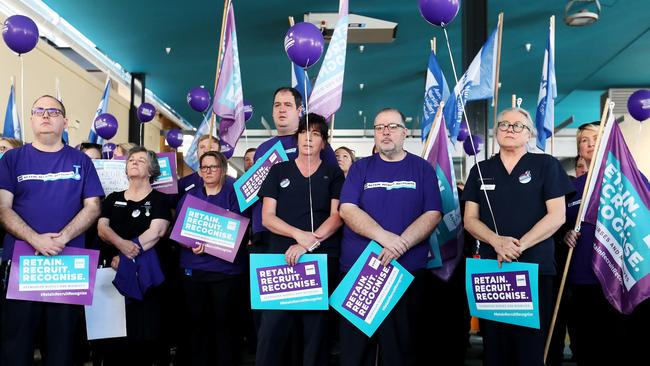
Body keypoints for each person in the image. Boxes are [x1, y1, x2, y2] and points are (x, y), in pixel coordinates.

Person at [462, 107, 574, 366]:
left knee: (530, 350)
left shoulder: (546, 165)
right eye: (504, 124)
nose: (510, 129)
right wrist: (496, 241)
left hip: (534, 268)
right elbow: (469, 219)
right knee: (495, 350)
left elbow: (557, 216)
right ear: (496, 131)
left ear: (529, 134)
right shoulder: (480, 170)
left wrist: (518, 245)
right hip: (493, 271)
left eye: (518, 126)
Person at [0, 95, 103, 366]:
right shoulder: (11, 159)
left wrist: (62, 239)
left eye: (53, 112)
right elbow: (2, 208)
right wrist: (36, 239)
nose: (46, 116)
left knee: (63, 349)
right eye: (39, 111)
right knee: (16, 347)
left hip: (68, 265)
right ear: (32, 118)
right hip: (24, 263)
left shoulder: (82, 160)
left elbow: (93, 206)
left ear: (65, 121)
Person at [338, 108, 442, 366]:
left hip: (404, 273)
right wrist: (387, 239)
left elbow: (433, 213)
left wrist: (402, 245)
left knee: (400, 350)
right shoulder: (359, 169)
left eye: (392, 126)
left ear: (405, 133)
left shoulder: (423, 169)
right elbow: (347, 209)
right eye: (379, 127)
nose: (385, 132)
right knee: (355, 352)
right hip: (360, 272)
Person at [256, 114, 344, 366]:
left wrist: (308, 243)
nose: (309, 137)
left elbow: (337, 216)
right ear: (297, 138)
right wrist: (297, 235)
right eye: (304, 132)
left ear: (324, 143)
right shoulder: (278, 170)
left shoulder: (333, 173)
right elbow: (267, 218)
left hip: (319, 260)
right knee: (271, 333)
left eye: (316, 133)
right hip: (280, 261)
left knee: (315, 336)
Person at [96, 146, 171, 365]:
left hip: (148, 277)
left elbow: (157, 232)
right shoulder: (112, 199)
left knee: (146, 336)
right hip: (114, 273)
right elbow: (102, 229)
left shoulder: (160, 200)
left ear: (151, 170)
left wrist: (128, 253)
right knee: (115, 337)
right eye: (131, 160)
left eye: (140, 160)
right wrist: (122, 247)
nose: (134, 162)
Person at [560, 122, 627, 365]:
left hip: (616, 278)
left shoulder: (627, 180)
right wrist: (565, 234)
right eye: (583, 140)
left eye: (595, 138)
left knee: (614, 344)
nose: (589, 144)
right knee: (584, 344)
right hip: (581, 278)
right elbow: (558, 224)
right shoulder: (570, 188)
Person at [173, 151, 244, 366]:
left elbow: (240, 231)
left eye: (213, 167)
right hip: (193, 271)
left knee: (224, 325)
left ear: (223, 170)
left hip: (225, 273)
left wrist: (210, 246)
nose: (208, 171)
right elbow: (179, 231)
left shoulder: (234, 195)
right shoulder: (190, 196)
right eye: (204, 167)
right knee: (196, 324)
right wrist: (188, 243)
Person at [250, 87, 337, 248]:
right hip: (264, 231)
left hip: (307, 232)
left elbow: (333, 184)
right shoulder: (262, 149)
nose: (281, 109)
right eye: (277, 105)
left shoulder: (314, 144)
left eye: (287, 105)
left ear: (299, 110)